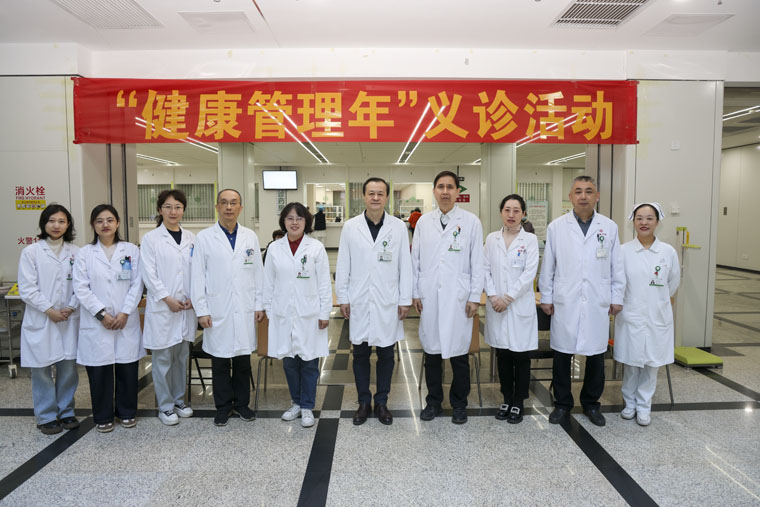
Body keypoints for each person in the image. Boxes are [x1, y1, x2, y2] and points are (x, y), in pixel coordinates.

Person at [539, 175, 624, 427]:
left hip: (597, 300)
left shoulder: (609, 227)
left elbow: (616, 265)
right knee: (562, 355)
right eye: (578, 191)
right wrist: (546, 296)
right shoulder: (556, 227)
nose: (583, 196)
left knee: (596, 356)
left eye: (588, 191)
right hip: (565, 300)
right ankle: (562, 404)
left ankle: (591, 404)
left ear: (597, 196)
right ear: (570, 197)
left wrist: (617, 296)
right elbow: (548, 265)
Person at [336, 177, 413, 426]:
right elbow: (343, 264)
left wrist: (404, 299)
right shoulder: (350, 227)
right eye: (371, 193)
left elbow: (405, 266)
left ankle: (381, 402)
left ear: (387, 197)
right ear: (364, 196)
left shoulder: (398, 227)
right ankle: (363, 402)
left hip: (387, 299)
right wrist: (343, 297)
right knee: (360, 353)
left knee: (386, 354)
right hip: (359, 298)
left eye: (380, 193)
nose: (376, 197)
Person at [412, 170, 485, 424]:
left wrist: (474, 296)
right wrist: (415, 292)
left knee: (459, 355)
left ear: (457, 192)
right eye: (441, 187)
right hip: (430, 296)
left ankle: (459, 404)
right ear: (434, 191)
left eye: (450, 187)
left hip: (458, 298)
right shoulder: (424, 222)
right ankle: (433, 402)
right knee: (432, 353)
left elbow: (478, 262)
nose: (445, 191)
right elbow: (415, 260)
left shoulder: (471, 222)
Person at [190, 189, 265, 427]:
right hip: (217, 308)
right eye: (224, 203)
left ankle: (242, 404)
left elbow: (258, 273)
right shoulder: (204, 237)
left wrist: (259, 304)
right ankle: (223, 407)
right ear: (217, 207)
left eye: (234, 203)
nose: (229, 207)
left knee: (243, 360)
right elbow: (197, 276)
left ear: (241, 207)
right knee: (220, 361)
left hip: (244, 307)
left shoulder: (250, 236)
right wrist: (202, 310)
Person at [73, 204, 144, 433]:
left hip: (125, 319)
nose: (105, 224)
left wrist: (125, 312)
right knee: (100, 372)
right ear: (93, 225)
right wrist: (101, 314)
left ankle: (127, 412)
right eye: (100, 221)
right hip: (97, 323)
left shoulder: (130, 250)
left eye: (110, 220)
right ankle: (103, 416)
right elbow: (81, 287)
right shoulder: (85, 253)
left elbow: (137, 283)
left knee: (127, 369)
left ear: (118, 223)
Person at [263, 203, 331, 428]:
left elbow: (324, 283)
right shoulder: (275, 248)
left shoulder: (316, 248)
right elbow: (268, 282)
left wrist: (324, 312)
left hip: (309, 313)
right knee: (289, 362)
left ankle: (307, 406)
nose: (294, 222)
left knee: (309, 362)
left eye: (299, 218)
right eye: (290, 218)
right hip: (282, 313)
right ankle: (296, 402)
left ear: (306, 222)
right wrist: (270, 311)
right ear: (283, 221)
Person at [614, 203, 680, 426]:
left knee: (652, 365)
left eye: (649, 218)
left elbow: (673, 283)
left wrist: (658, 301)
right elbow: (618, 282)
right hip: (630, 314)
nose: (644, 222)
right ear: (633, 222)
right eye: (639, 218)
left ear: (657, 222)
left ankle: (644, 406)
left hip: (657, 315)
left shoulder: (667, 252)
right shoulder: (623, 251)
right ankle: (629, 403)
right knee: (631, 363)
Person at [18, 205, 80, 435]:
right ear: (44, 224)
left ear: (68, 225)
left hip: (68, 318)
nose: (56, 226)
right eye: (51, 221)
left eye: (62, 221)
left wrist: (71, 306)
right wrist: (49, 309)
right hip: (42, 319)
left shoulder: (76, 252)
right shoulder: (31, 252)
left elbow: (82, 285)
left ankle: (66, 411)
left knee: (68, 368)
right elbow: (27, 288)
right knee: (41, 370)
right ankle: (46, 416)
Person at [140, 189, 196, 426]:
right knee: (162, 360)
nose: (173, 211)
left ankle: (179, 400)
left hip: (186, 308)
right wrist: (167, 298)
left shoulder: (192, 238)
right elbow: (148, 274)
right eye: (168, 207)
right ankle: (165, 406)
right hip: (164, 308)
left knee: (181, 358)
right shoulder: (151, 239)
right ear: (159, 209)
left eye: (178, 207)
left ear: (183, 210)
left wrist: (194, 298)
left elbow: (197, 271)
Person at [484, 194, 539, 424]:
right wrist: (493, 296)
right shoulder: (492, 238)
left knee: (521, 357)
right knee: (503, 356)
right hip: (497, 306)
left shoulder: (530, 240)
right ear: (501, 212)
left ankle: (519, 401)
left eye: (516, 210)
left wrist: (507, 298)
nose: (511, 214)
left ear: (523, 214)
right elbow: (484, 269)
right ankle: (506, 398)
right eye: (507, 210)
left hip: (517, 305)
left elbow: (529, 274)